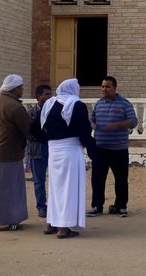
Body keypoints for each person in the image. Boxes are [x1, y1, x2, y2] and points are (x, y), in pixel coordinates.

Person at [35, 79, 94, 239]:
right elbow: (84, 131)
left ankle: (51, 223)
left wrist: (50, 139)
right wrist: (91, 147)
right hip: (70, 149)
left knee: (55, 188)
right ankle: (63, 228)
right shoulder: (77, 104)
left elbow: (36, 127)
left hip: (53, 150)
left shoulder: (49, 104)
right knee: (69, 188)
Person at [0, 74, 31, 231]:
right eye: (21, 87)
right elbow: (27, 129)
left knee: (2, 187)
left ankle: (3, 219)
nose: (22, 90)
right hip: (11, 152)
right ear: (15, 88)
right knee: (10, 189)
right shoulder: (15, 106)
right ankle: (8, 220)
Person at [87, 76, 138, 217]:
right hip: (100, 149)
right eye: (103, 86)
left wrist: (117, 125)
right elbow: (93, 120)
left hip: (118, 149)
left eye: (107, 87)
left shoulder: (124, 104)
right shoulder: (98, 104)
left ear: (115, 88)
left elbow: (133, 122)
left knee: (121, 179)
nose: (104, 89)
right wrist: (91, 125)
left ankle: (121, 206)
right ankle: (97, 206)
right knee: (97, 179)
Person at [27, 84, 53, 218]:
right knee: (39, 180)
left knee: (56, 179)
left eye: (50, 94)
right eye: (46, 94)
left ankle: (55, 206)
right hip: (37, 149)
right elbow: (28, 132)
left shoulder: (55, 111)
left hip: (54, 149)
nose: (49, 97)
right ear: (38, 96)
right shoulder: (31, 113)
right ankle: (42, 207)